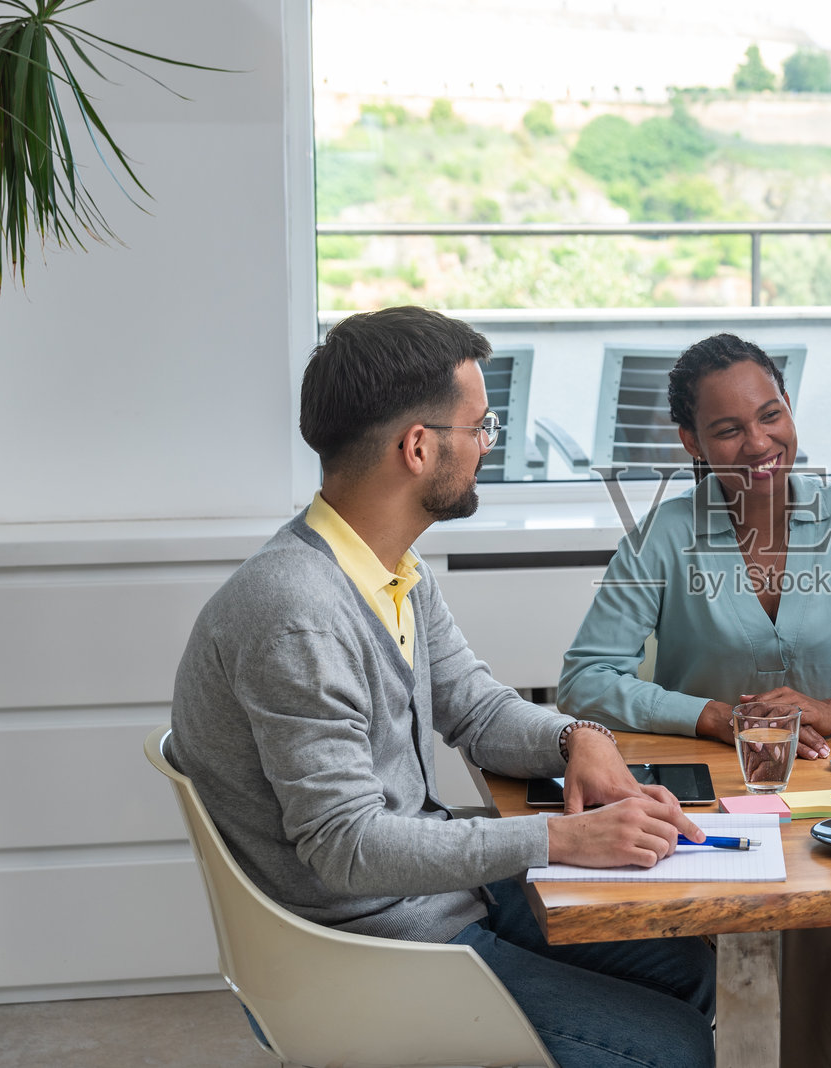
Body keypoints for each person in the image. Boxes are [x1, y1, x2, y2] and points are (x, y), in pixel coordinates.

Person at [169, 305, 716, 1068]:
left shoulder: (387, 568)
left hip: (421, 903)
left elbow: (475, 707)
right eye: (481, 427)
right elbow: (348, 847)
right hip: (361, 950)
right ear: (419, 447)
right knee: (672, 1046)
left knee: (680, 957)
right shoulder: (295, 616)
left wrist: (575, 738)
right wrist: (561, 837)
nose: (489, 445)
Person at [558, 333, 831, 1068]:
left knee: (826, 900)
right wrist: (712, 717)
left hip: (827, 796)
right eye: (728, 429)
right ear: (692, 442)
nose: (759, 442)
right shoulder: (663, 536)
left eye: (770, 414)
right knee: (797, 909)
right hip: (707, 800)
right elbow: (587, 678)